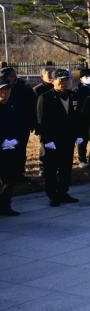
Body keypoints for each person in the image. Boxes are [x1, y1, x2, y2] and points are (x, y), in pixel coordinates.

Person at [36, 69, 82, 207]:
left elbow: (77, 118)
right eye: (60, 80)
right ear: (53, 81)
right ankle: (52, 195)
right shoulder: (45, 97)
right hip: (52, 140)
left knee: (65, 168)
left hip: (68, 139)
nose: (64, 82)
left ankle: (63, 192)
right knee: (51, 169)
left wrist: (79, 134)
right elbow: (41, 121)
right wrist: (46, 140)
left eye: (66, 79)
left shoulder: (73, 96)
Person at [3, 67, 37, 184]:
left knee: (20, 150)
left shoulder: (24, 89)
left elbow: (33, 106)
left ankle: (18, 174)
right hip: (7, 126)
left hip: (22, 125)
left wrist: (32, 123)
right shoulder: (4, 88)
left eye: (10, 77)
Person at [0, 81, 22, 215]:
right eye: (2, 90)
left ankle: (5, 206)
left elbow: (20, 125)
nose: (5, 92)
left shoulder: (13, 106)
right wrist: (2, 141)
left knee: (9, 179)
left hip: (11, 147)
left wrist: (16, 140)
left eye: (7, 89)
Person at [73, 67, 90, 168]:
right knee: (82, 140)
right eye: (87, 76)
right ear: (81, 78)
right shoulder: (77, 90)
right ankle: (82, 159)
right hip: (82, 119)